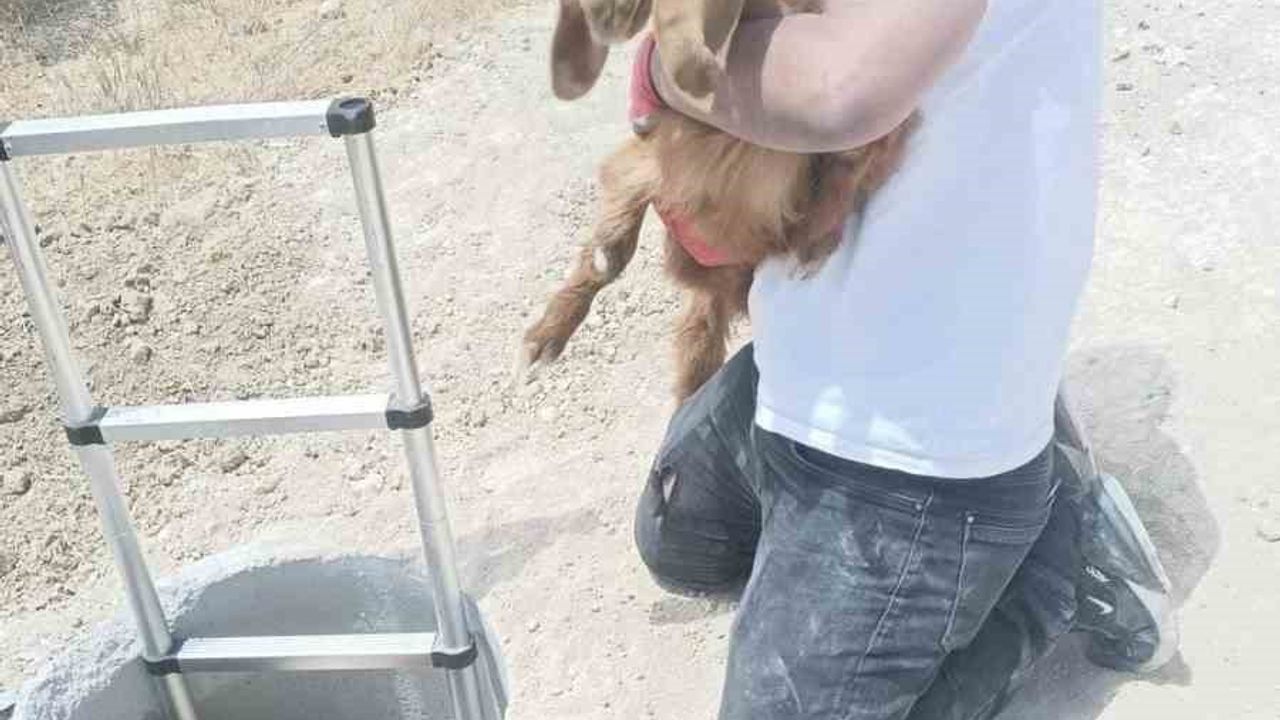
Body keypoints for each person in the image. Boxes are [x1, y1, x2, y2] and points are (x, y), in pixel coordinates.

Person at [626, 0, 1179, 717]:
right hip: (818, 344)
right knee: (679, 540)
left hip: (914, 443)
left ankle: (1055, 563)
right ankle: (1035, 475)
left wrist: (662, 68)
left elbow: (840, 87)